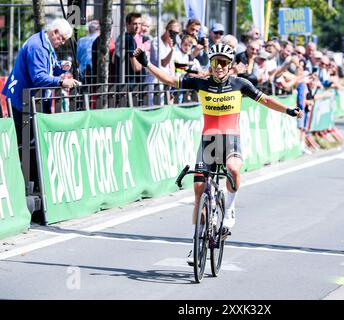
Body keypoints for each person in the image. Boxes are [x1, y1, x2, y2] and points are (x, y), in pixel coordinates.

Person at [133, 43, 303, 265]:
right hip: (208, 142)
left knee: (233, 169)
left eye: (224, 62)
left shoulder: (240, 84)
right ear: (211, 65)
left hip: (231, 139)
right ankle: (197, 243)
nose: (220, 67)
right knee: (198, 191)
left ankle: (230, 209)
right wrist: (147, 64)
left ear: (230, 65)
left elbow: (266, 100)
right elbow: (169, 79)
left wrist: (288, 110)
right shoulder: (201, 83)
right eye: (216, 62)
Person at [1, 18, 80, 146]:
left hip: (28, 100)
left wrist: (60, 66)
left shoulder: (43, 41)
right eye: (62, 38)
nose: (63, 43)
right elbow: (38, 77)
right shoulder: (37, 47)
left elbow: (46, 68)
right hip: (22, 103)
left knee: (30, 143)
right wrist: (61, 82)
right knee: (23, 145)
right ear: (54, 32)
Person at [114, 12, 144, 84]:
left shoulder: (120, 38)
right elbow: (136, 67)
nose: (137, 26)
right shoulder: (130, 40)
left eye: (139, 23)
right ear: (127, 24)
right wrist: (143, 61)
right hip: (130, 85)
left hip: (119, 81)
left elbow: (113, 60)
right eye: (135, 23)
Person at [76, 20, 100, 84]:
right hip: (96, 72)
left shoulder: (81, 41)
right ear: (99, 30)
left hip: (83, 72)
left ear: (89, 30)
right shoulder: (100, 41)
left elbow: (77, 59)